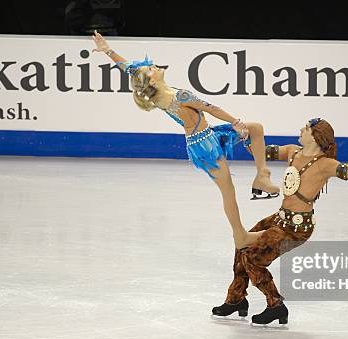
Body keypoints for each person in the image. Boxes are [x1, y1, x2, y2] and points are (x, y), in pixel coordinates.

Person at [212, 118, 348, 325]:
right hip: (279, 219)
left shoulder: (325, 164)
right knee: (241, 244)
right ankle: (236, 300)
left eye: (305, 128)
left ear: (316, 137)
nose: (300, 129)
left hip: (296, 228)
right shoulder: (292, 152)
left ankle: (275, 305)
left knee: (253, 257)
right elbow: (258, 151)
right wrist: (243, 136)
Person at [91, 32, 279, 249]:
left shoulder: (155, 94)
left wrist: (108, 51)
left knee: (255, 129)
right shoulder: (178, 96)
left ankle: (262, 176)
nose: (153, 66)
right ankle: (240, 236)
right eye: (150, 69)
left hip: (207, 136)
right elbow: (212, 108)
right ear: (151, 79)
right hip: (205, 145)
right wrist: (235, 122)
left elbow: (130, 69)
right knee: (228, 191)